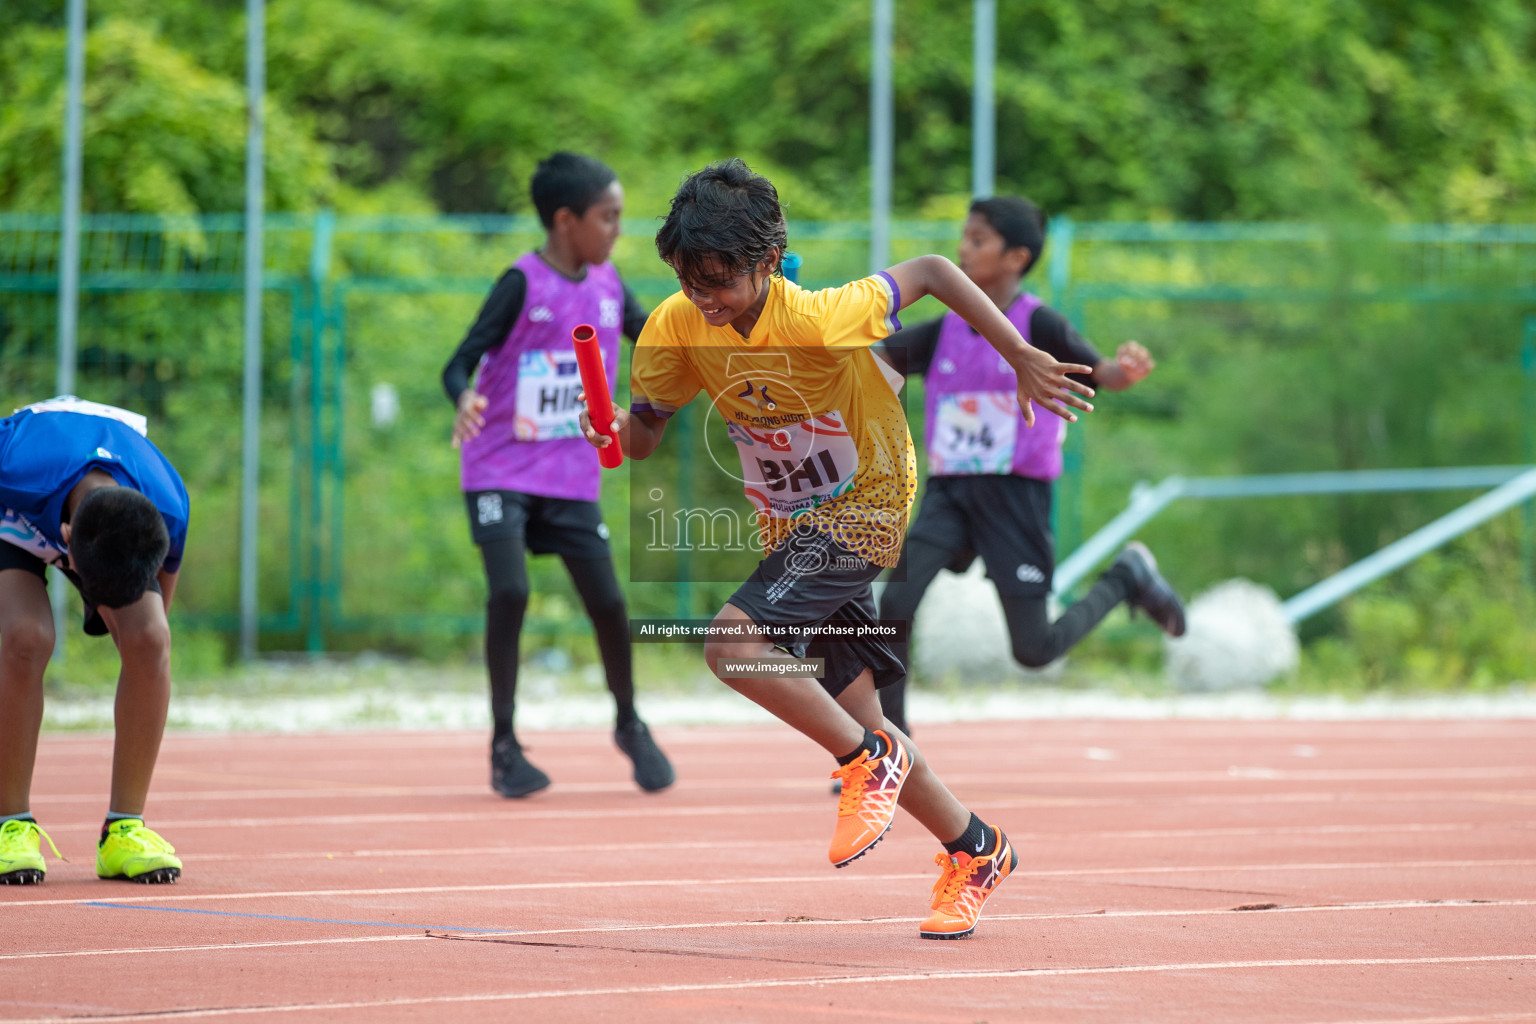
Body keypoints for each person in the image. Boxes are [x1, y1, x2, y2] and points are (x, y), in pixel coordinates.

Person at [580, 159, 1095, 939]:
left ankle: (865, 765)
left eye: (719, 281)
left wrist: (1017, 351)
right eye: (690, 281)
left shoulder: (821, 316)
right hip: (789, 526)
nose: (704, 300)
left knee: (732, 645)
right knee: (862, 714)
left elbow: (930, 270)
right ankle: (975, 848)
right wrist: (616, 425)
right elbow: (646, 436)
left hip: (870, 502)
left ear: (763, 261)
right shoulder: (676, 327)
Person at [876, 196, 1186, 736]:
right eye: (964, 237)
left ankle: (1125, 577)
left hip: (1014, 498)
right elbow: (873, 358)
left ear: (1016, 257)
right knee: (895, 601)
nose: (962, 249)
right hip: (951, 493)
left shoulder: (1036, 323)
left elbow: (1098, 371)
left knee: (1034, 650)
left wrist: (1122, 372)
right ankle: (891, 742)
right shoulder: (942, 331)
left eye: (977, 240)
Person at [442, 152, 673, 798]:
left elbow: (657, 338)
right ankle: (504, 745)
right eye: (609, 218)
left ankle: (629, 722)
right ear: (566, 221)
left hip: (571, 477)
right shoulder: (521, 283)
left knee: (609, 602)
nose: (617, 231)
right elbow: (458, 363)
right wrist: (463, 397)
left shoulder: (608, 284)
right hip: (499, 468)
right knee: (509, 592)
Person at [0, 397, 188, 884]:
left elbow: (153, 634)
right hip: (15, 507)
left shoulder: (168, 505)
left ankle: (124, 829)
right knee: (25, 636)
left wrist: (142, 656)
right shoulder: (12, 465)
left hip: (112, 495)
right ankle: (9, 824)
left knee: (149, 639)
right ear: (65, 541)